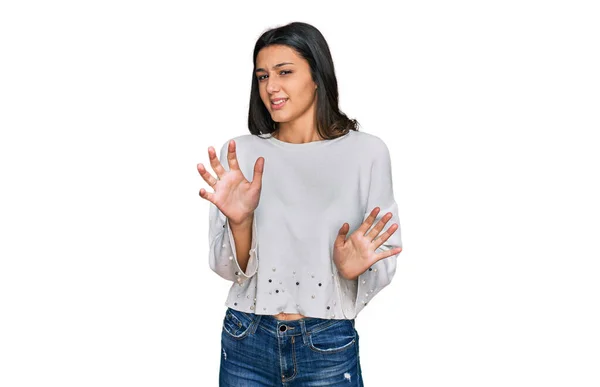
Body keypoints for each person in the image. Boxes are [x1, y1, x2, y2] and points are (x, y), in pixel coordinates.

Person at [197, 21, 402, 386]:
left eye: (284, 72)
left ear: (317, 76)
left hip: (326, 344)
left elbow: (384, 254)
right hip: (246, 339)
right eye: (262, 76)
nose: (271, 87)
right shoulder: (241, 153)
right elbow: (228, 269)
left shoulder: (366, 153)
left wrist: (351, 268)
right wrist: (240, 223)